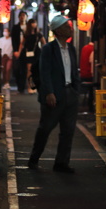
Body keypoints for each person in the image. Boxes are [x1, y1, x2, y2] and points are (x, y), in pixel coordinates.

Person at [27, 14, 80, 173]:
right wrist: (49, 92)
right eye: (66, 26)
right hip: (54, 94)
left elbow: (74, 70)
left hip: (70, 92)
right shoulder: (48, 49)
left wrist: (76, 89)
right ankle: (34, 158)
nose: (70, 28)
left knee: (68, 130)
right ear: (58, 30)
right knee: (46, 128)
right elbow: (45, 72)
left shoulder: (71, 48)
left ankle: (62, 163)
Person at [23, 20, 43, 92]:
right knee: (29, 70)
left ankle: (36, 85)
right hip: (29, 53)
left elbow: (44, 42)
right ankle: (29, 86)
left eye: (35, 23)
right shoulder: (26, 34)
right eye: (32, 23)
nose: (34, 24)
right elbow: (22, 43)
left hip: (36, 52)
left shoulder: (38, 34)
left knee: (36, 69)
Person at [11, 11, 27, 93]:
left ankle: (23, 87)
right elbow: (13, 40)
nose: (22, 17)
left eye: (24, 16)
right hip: (17, 50)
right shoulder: (15, 27)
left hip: (27, 51)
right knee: (17, 69)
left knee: (25, 69)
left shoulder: (28, 27)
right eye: (21, 16)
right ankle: (19, 85)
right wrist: (15, 50)